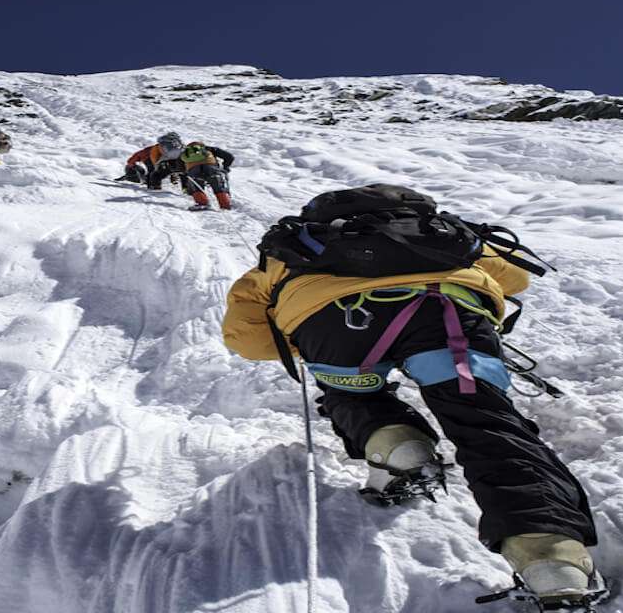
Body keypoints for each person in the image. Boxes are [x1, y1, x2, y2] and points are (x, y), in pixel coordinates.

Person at [221, 184, 602, 607]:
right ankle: (551, 559)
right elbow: (516, 278)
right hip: (449, 312)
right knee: (485, 421)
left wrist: (304, 340)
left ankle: (398, 450)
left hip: (337, 326)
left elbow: (248, 339)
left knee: (355, 396)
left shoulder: (293, 246)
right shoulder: (437, 231)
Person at [176, 141, 235, 211]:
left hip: (194, 170)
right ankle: (225, 205)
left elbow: (179, 167)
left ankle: (202, 203)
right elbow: (230, 157)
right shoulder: (209, 149)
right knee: (218, 187)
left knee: (196, 188)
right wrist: (225, 167)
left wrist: (188, 172)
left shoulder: (184, 153)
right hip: (211, 168)